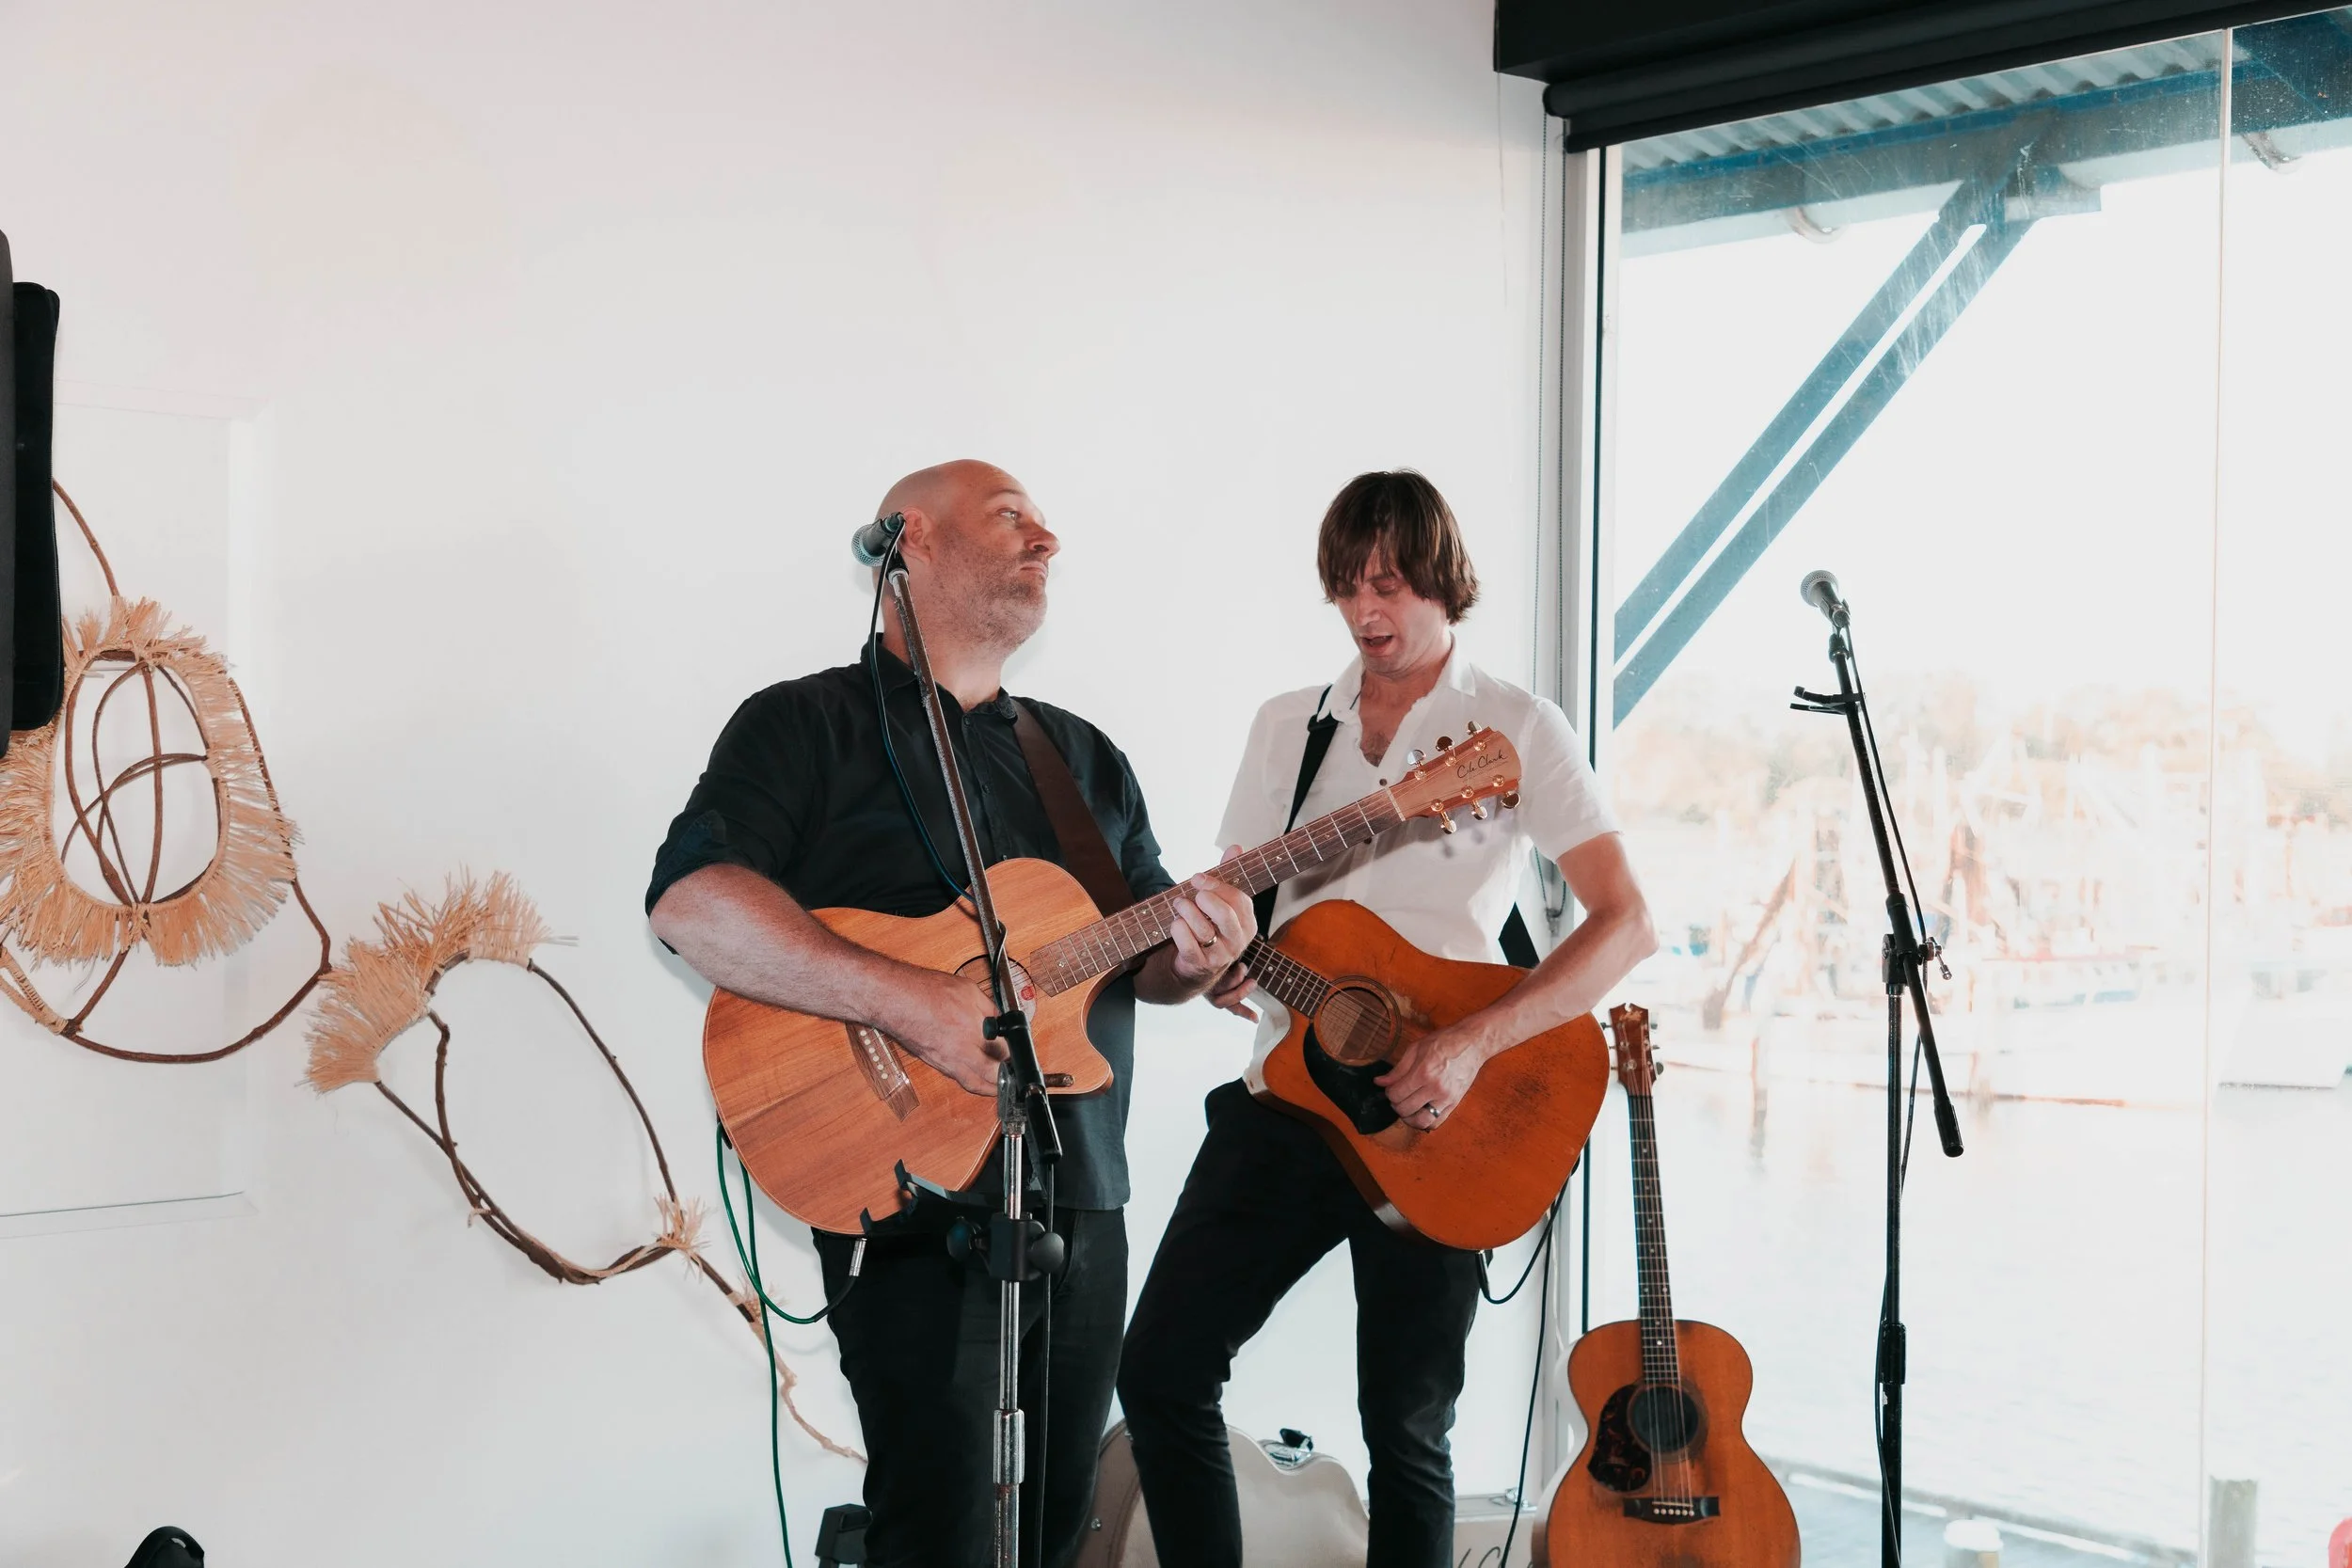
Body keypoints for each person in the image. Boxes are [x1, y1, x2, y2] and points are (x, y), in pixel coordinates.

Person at [646, 460, 1256, 1568]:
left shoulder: (1080, 757)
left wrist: (1201, 951)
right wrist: (914, 1003)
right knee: (941, 1533)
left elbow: (1143, 962)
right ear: (908, 541)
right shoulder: (802, 725)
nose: (1047, 539)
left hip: (1084, 1190)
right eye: (1012, 516)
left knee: (1057, 1522)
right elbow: (694, 904)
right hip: (908, 1199)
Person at [1116, 469, 1656, 1567]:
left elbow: (1627, 922)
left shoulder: (1511, 726)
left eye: (1394, 585)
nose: (1370, 611)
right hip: (1292, 1090)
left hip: (1439, 1113)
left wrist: (1468, 1044)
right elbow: (1244, 911)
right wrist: (1222, 951)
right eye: (1350, 587)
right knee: (1160, 1370)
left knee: (1406, 1432)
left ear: (1444, 585)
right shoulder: (1289, 728)